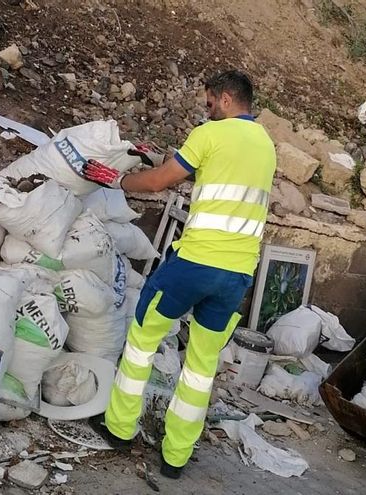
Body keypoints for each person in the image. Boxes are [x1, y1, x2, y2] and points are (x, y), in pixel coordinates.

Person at [80, 69, 277, 479]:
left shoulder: (209, 134)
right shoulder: (265, 144)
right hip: (238, 274)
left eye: (210, 103)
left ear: (225, 99)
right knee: (202, 367)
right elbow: (220, 176)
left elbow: (158, 182)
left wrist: (118, 179)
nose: (207, 110)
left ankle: (120, 428)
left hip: (196, 263)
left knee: (143, 338)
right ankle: (176, 456)